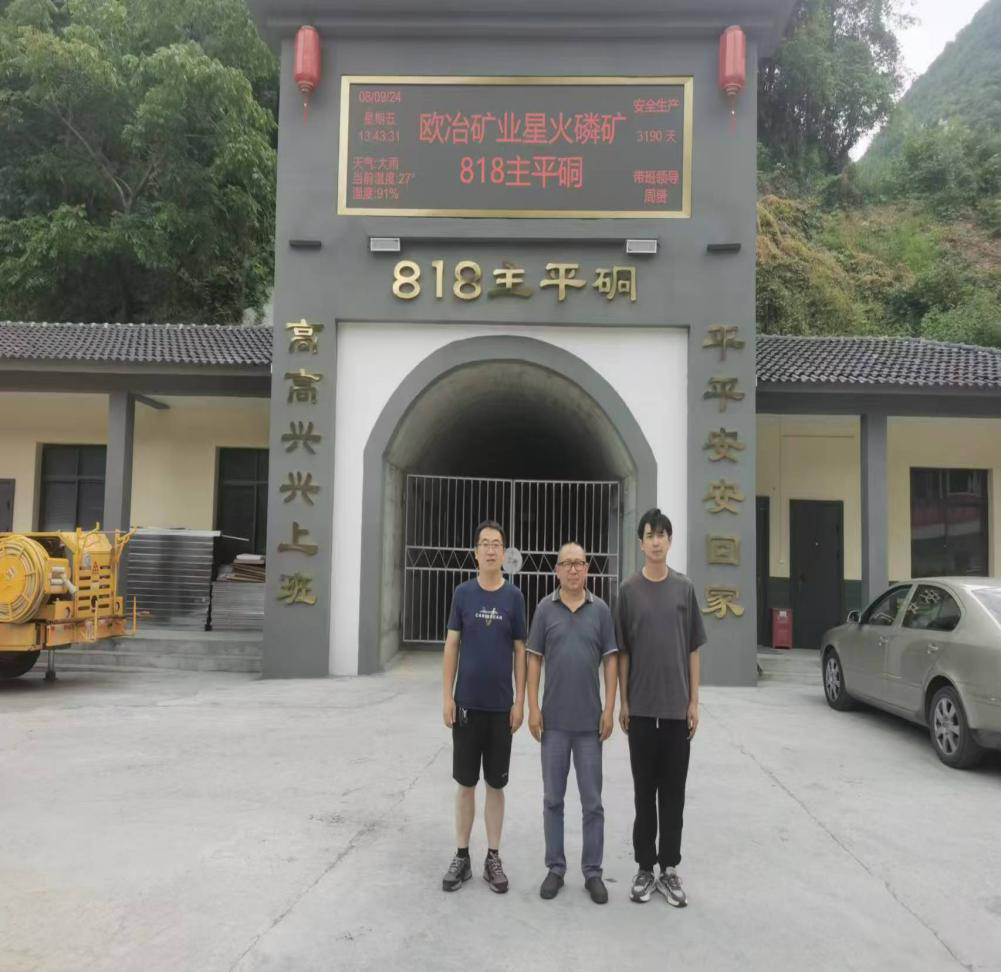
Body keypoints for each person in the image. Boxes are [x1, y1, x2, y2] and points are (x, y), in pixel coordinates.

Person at [616, 508, 706, 907]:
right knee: (643, 794)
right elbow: (622, 652)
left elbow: (693, 649)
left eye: (662, 535)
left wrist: (694, 701)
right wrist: (624, 701)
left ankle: (669, 868)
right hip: (640, 710)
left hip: (675, 711)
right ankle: (644, 867)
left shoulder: (684, 589)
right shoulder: (628, 591)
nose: (656, 541)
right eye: (649, 535)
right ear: (641, 543)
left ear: (670, 541)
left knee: (673, 795)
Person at [526, 542, 618, 905]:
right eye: (567, 563)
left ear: (588, 568)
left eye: (579, 563)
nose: (574, 569)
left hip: (589, 726)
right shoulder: (544, 610)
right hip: (554, 725)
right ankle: (555, 868)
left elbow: (611, 660)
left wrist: (609, 709)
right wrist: (533, 707)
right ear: (557, 570)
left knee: (592, 802)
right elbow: (534, 659)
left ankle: (593, 872)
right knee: (553, 799)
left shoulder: (601, 611)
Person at [441, 519, 527, 894]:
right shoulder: (463, 594)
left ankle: (493, 857)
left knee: (495, 784)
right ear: (475, 552)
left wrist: (520, 701)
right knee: (465, 784)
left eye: (497, 544)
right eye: (485, 543)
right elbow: (451, 645)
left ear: (504, 553)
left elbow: (521, 651)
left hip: (500, 709)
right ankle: (462, 856)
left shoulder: (514, 598)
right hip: (466, 707)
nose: (491, 549)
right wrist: (447, 696)